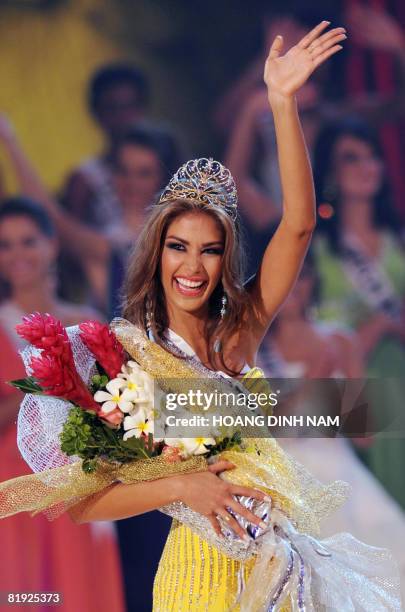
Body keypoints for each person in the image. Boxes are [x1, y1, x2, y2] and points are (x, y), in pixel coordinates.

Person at [65, 22, 359, 611]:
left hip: (278, 570)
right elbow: (82, 501)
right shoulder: (127, 356)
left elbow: (298, 225)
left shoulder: (238, 337)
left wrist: (281, 103)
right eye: (178, 246)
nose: (192, 265)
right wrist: (180, 486)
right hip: (197, 580)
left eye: (210, 248)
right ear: (157, 254)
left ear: (225, 259)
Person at [0, 198, 125, 612]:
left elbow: (119, 406)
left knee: (81, 594)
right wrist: (39, 388)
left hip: (82, 482)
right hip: (18, 489)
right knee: (27, 594)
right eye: (6, 245)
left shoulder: (87, 322)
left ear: (52, 244)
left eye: (28, 241)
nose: (18, 254)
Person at [257, 256, 405, 599]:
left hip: (342, 474)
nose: (294, 287)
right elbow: (261, 434)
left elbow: (364, 435)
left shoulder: (340, 340)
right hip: (287, 483)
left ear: (312, 282)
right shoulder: (252, 350)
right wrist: (314, 380)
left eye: (302, 276)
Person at [313, 117, 405, 509]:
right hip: (350, 389)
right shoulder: (314, 250)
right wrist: (377, 326)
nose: (366, 167)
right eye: (351, 159)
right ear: (331, 172)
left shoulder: (397, 239)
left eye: (372, 157)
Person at [0, 118, 178, 313]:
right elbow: (53, 219)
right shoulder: (108, 247)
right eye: (123, 171)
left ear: (164, 177)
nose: (131, 183)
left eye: (144, 173)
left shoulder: (184, 236)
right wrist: (10, 141)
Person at [62, 63, 150, 228]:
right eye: (112, 108)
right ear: (97, 114)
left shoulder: (169, 168)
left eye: (129, 106)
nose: (123, 117)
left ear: (142, 109)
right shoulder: (86, 180)